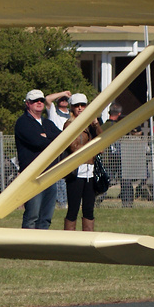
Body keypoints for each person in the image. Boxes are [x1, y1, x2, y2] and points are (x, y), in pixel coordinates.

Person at [14, 89, 61, 229]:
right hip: (32, 175)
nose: (39, 103)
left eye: (41, 100)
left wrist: (46, 138)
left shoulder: (48, 123)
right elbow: (36, 142)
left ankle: (41, 248)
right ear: (28, 104)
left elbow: (62, 138)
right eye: (35, 101)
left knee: (46, 217)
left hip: (50, 173)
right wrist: (49, 140)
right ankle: (26, 248)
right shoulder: (22, 122)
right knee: (32, 216)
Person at [62, 94, 102, 231]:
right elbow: (74, 147)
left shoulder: (91, 125)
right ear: (71, 108)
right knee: (73, 209)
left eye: (83, 105)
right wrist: (94, 147)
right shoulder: (69, 125)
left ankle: (88, 237)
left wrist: (96, 125)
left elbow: (103, 143)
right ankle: (69, 241)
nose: (80, 108)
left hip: (90, 171)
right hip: (76, 171)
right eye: (77, 105)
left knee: (89, 209)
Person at [45, 91, 72, 208]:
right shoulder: (53, 112)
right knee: (57, 175)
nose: (64, 101)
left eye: (66, 99)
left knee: (68, 174)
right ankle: (61, 202)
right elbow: (48, 99)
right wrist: (63, 93)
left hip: (69, 146)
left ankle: (67, 200)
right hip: (56, 147)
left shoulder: (71, 115)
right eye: (61, 99)